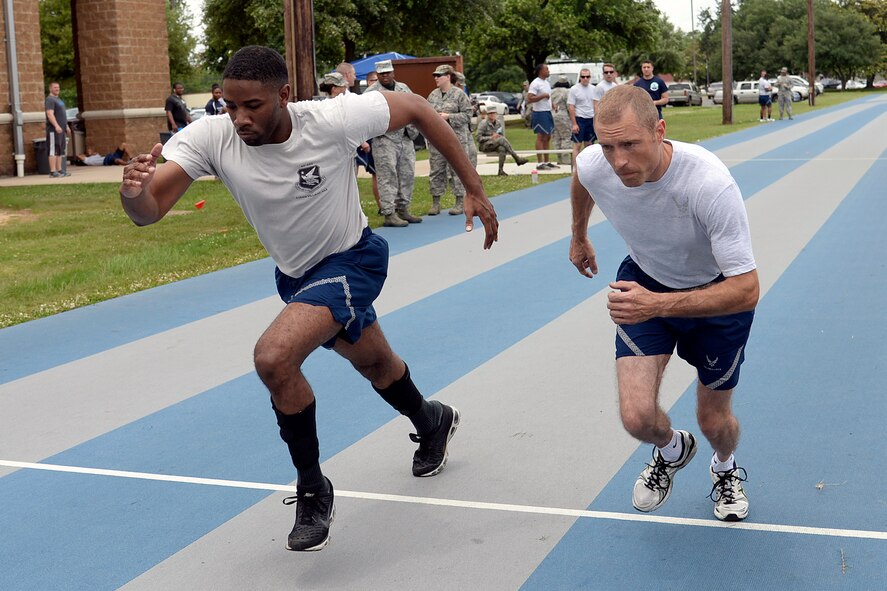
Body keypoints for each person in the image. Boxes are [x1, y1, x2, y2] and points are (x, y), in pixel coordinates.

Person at [120, 45, 498, 553]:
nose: (239, 118)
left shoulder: (333, 118)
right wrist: (132, 193)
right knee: (377, 364)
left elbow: (421, 110)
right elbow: (149, 211)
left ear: (282, 96)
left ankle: (312, 488)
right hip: (298, 279)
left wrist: (473, 186)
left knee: (275, 358)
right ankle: (432, 420)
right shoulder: (213, 135)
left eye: (252, 106)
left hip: (353, 262)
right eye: (231, 106)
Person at [569, 85, 758, 523]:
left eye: (631, 144)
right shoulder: (596, 164)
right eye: (608, 145)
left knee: (714, 422)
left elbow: (746, 288)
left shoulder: (708, 183)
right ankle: (673, 450)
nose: (618, 161)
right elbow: (582, 176)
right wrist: (579, 235)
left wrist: (658, 305)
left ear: (660, 130)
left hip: (717, 298)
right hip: (645, 281)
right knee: (637, 418)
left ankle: (724, 468)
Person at [365, 60, 421, 227]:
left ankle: (403, 209)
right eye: (382, 73)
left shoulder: (403, 88)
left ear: (393, 72)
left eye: (388, 72)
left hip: (405, 138)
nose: (385, 76)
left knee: (407, 174)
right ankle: (389, 213)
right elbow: (366, 116)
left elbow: (415, 107)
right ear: (378, 74)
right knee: (387, 175)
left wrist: (413, 129)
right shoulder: (371, 93)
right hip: (385, 139)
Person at [426, 64, 473, 216]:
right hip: (437, 139)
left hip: (456, 140)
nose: (436, 78)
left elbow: (467, 115)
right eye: (434, 76)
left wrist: (449, 117)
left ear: (448, 77)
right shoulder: (432, 95)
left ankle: (460, 201)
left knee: (457, 170)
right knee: (436, 170)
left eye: (439, 75)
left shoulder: (459, 94)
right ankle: (436, 202)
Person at [476, 105, 528, 175]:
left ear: (496, 114)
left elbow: (501, 135)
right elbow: (478, 138)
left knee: (502, 148)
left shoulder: (498, 123)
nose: (492, 115)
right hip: (484, 145)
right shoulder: (483, 123)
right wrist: (491, 137)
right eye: (490, 113)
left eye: (494, 113)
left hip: (496, 143)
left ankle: (501, 170)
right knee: (502, 140)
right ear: (488, 115)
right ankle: (517, 158)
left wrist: (498, 137)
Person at [528, 64, 557, 169]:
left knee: (548, 136)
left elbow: (548, 97)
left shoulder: (546, 83)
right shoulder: (535, 83)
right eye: (547, 69)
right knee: (541, 136)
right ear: (541, 71)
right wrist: (542, 96)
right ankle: (540, 163)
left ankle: (547, 161)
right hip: (539, 112)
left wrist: (552, 105)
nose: (549, 71)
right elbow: (530, 98)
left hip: (547, 111)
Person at [568, 68, 597, 163]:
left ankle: (588, 166)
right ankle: (576, 169)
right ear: (580, 77)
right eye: (583, 77)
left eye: (587, 76)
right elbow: (571, 107)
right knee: (577, 145)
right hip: (579, 119)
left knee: (589, 145)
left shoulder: (594, 89)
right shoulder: (574, 89)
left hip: (591, 119)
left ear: (590, 77)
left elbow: (596, 105)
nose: (585, 79)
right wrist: (574, 124)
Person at [44, 81, 70, 178]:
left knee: (60, 150)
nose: (57, 89)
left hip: (62, 129)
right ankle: (52, 171)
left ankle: (60, 170)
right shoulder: (50, 100)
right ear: (50, 88)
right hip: (53, 130)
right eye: (55, 87)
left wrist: (66, 126)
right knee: (53, 149)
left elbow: (62, 114)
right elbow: (50, 114)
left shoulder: (58, 99)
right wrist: (56, 126)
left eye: (58, 87)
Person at [550, 76, 572, 166]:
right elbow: (568, 105)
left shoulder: (552, 91)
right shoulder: (567, 91)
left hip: (552, 115)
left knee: (556, 137)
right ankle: (565, 158)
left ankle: (559, 157)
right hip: (563, 114)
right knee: (566, 136)